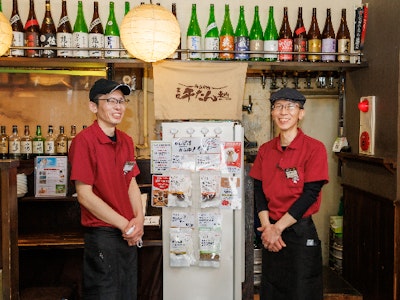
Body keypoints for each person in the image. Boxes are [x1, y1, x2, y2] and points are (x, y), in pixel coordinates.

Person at [249, 88, 329, 300]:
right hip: (270, 234)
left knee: (302, 293)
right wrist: (267, 228)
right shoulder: (266, 150)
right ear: (272, 112)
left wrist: (278, 229)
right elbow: (258, 190)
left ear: (301, 113)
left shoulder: (315, 148)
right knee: (271, 291)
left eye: (290, 107)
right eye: (278, 107)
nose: (284, 112)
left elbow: (310, 194)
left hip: (299, 234)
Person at [68, 78, 144, 300]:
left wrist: (138, 220)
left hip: (128, 234)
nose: (118, 107)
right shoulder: (84, 141)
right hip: (103, 235)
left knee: (128, 294)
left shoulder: (127, 141)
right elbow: (84, 195)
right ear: (94, 106)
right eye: (111, 101)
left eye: (121, 101)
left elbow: (130, 182)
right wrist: (125, 225)